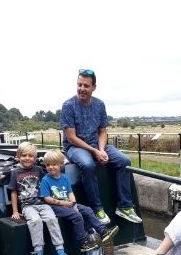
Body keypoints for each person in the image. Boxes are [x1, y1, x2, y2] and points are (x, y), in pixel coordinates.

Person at [60, 68, 143, 225]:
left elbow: (103, 132)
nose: (82, 89)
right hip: (75, 147)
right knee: (87, 164)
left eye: (86, 85)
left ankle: (124, 206)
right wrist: (95, 151)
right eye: (79, 85)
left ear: (93, 87)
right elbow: (71, 137)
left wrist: (102, 150)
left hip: (97, 145)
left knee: (124, 161)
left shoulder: (99, 105)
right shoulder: (68, 106)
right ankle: (97, 209)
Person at [40, 150, 119, 252]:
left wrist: (74, 205)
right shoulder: (45, 180)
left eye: (54, 164)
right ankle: (83, 242)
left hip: (68, 203)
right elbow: (47, 199)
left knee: (88, 210)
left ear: (60, 164)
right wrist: (65, 204)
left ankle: (103, 232)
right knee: (77, 216)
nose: (50, 167)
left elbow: (70, 193)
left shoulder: (64, 178)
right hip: (55, 206)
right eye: (48, 165)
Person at [8, 142, 71, 255]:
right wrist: (15, 211)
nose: (27, 158)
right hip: (27, 206)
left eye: (30, 156)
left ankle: (60, 251)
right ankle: (39, 254)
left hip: (43, 203)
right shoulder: (15, 172)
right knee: (35, 221)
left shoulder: (38, 170)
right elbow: (14, 193)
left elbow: (50, 182)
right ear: (18, 156)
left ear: (35, 158)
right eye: (24, 155)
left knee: (52, 219)